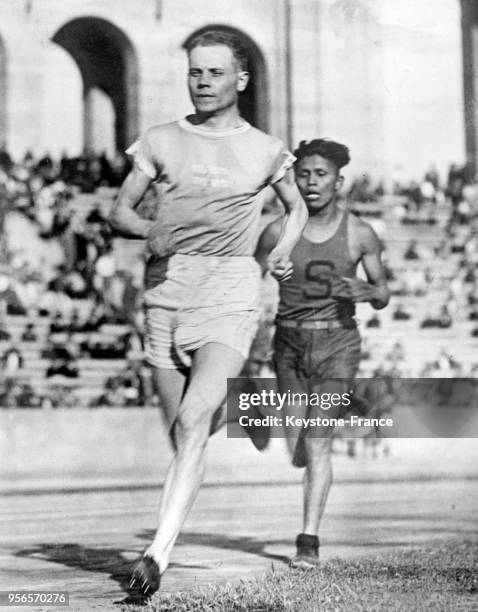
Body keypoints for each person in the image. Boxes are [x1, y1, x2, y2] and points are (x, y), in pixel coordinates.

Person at [108, 29, 308, 597]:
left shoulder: (266, 149)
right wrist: (150, 229)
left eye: (214, 72)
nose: (202, 82)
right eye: (195, 72)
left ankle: (154, 558)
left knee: (194, 422)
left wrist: (283, 249)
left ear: (240, 80)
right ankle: (247, 404)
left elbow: (294, 209)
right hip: (166, 289)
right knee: (184, 432)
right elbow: (120, 210)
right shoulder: (161, 139)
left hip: (229, 286)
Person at [255, 138, 389, 569]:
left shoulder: (360, 233)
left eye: (321, 174)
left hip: (338, 344)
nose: (312, 182)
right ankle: (298, 440)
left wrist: (366, 291)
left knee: (318, 442)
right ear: (293, 178)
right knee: (298, 440)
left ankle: (308, 542)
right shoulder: (275, 231)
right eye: (304, 174)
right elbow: (247, 282)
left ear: (339, 181)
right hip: (288, 344)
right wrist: (266, 271)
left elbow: (383, 293)